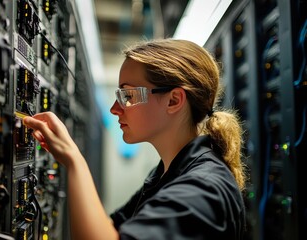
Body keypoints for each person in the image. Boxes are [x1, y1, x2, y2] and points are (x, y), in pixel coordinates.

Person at [23, 38, 247, 240]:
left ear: (173, 100)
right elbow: (111, 227)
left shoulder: (204, 190)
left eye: (127, 95)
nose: (114, 109)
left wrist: (74, 162)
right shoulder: (165, 174)